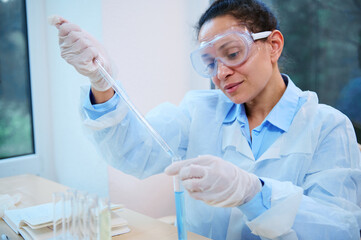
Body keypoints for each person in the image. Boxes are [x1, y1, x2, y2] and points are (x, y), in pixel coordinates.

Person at [51, 0, 361, 239]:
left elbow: (339, 230)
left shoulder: (327, 126)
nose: (221, 73)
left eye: (233, 53)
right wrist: (101, 82)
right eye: (209, 63)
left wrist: (255, 193)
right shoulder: (198, 110)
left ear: (274, 46)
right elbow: (132, 152)